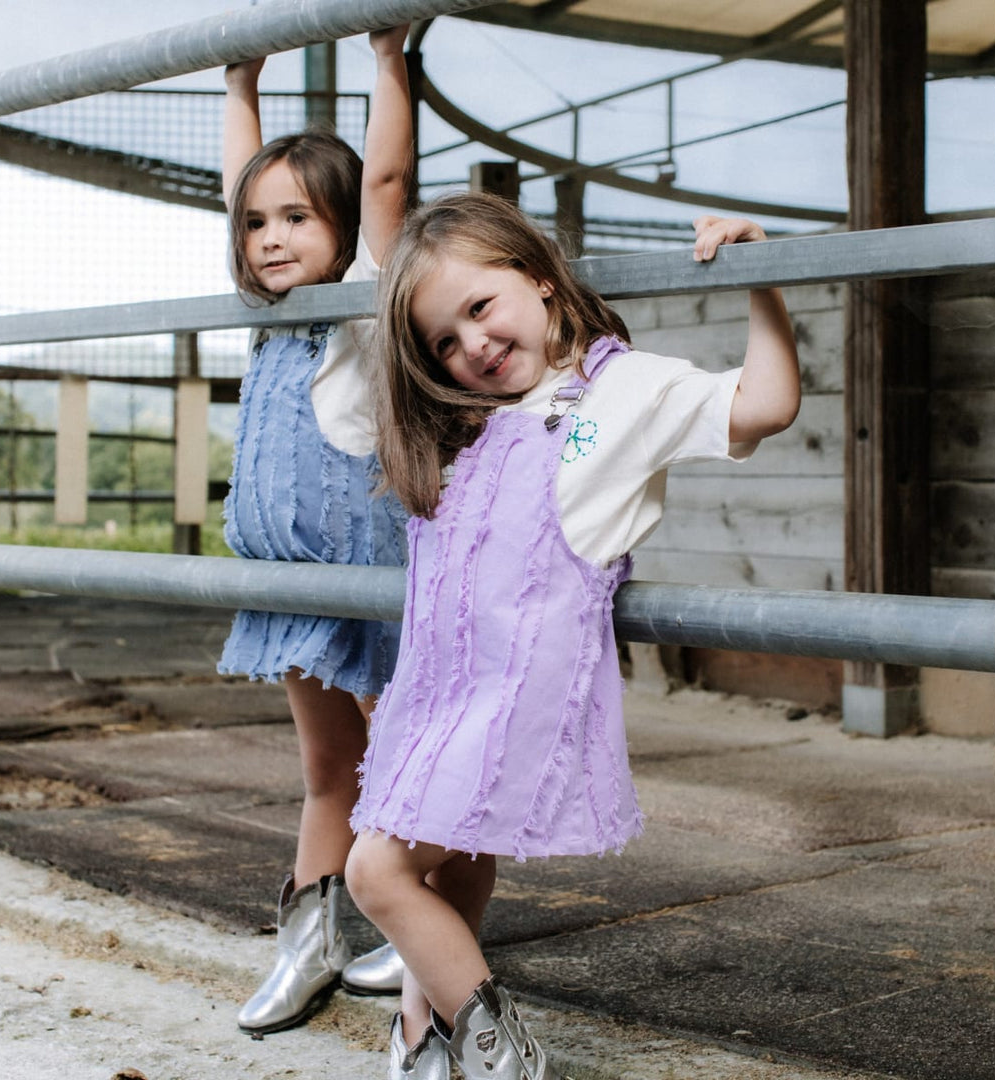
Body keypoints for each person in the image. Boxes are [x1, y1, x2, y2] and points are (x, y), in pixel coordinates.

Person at [344, 191, 800, 1079]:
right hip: (441, 692)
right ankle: (422, 1034)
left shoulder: (621, 391)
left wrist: (763, 274)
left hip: (516, 695)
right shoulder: (473, 422)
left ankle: (504, 1059)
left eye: (481, 306)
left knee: (375, 872)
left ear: (542, 280)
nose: (473, 344)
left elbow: (764, 405)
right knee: (455, 859)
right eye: (445, 341)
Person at [218, 26, 411, 1035]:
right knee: (327, 767)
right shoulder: (264, 318)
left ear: (345, 230)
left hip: (365, 580)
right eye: (258, 224)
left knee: (402, 758)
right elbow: (237, 187)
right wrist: (239, 84)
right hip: (289, 585)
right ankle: (311, 936)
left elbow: (387, 181)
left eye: (298, 217)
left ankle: (418, 919)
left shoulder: (365, 306)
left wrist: (388, 62)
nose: (270, 237)